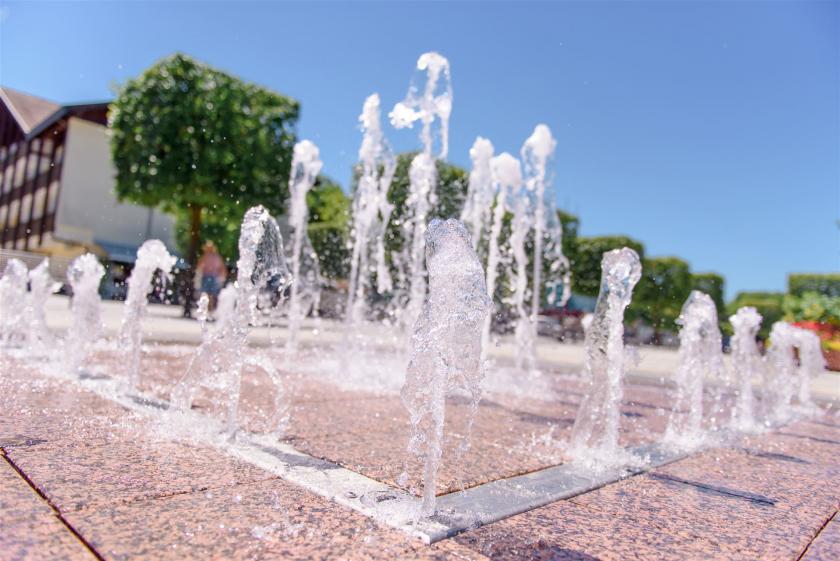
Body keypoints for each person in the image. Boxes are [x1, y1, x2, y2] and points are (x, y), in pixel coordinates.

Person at [196, 241, 228, 311]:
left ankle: (209, 309)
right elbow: (222, 268)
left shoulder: (207, 256)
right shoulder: (214, 257)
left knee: (208, 294)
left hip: (210, 277)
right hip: (210, 277)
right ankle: (209, 309)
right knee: (210, 294)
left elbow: (199, 266)